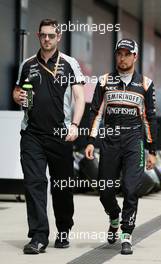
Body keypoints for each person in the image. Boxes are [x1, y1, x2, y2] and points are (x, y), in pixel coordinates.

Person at [13, 18, 85, 254]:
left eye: (51, 36)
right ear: (38, 36)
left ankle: (63, 230)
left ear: (58, 37)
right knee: (34, 183)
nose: (47, 39)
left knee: (61, 186)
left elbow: (79, 97)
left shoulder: (69, 64)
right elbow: (17, 90)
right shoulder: (27, 64)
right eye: (43, 35)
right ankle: (38, 236)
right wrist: (17, 97)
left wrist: (75, 124)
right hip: (31, 133)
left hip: (60, 134)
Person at [85, 39, 157, 255]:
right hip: (110, 141)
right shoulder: (104, 81)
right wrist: (90, 140)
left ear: (135, 56)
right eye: (119, 54)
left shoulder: (145, 84)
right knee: (105, 190)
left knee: (130, 188)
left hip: (134, 141)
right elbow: (96, 113)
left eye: (127, 54)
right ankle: (114, 217)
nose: (122, 58)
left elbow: (149, 118)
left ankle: (126, 234)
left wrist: (151, 150)